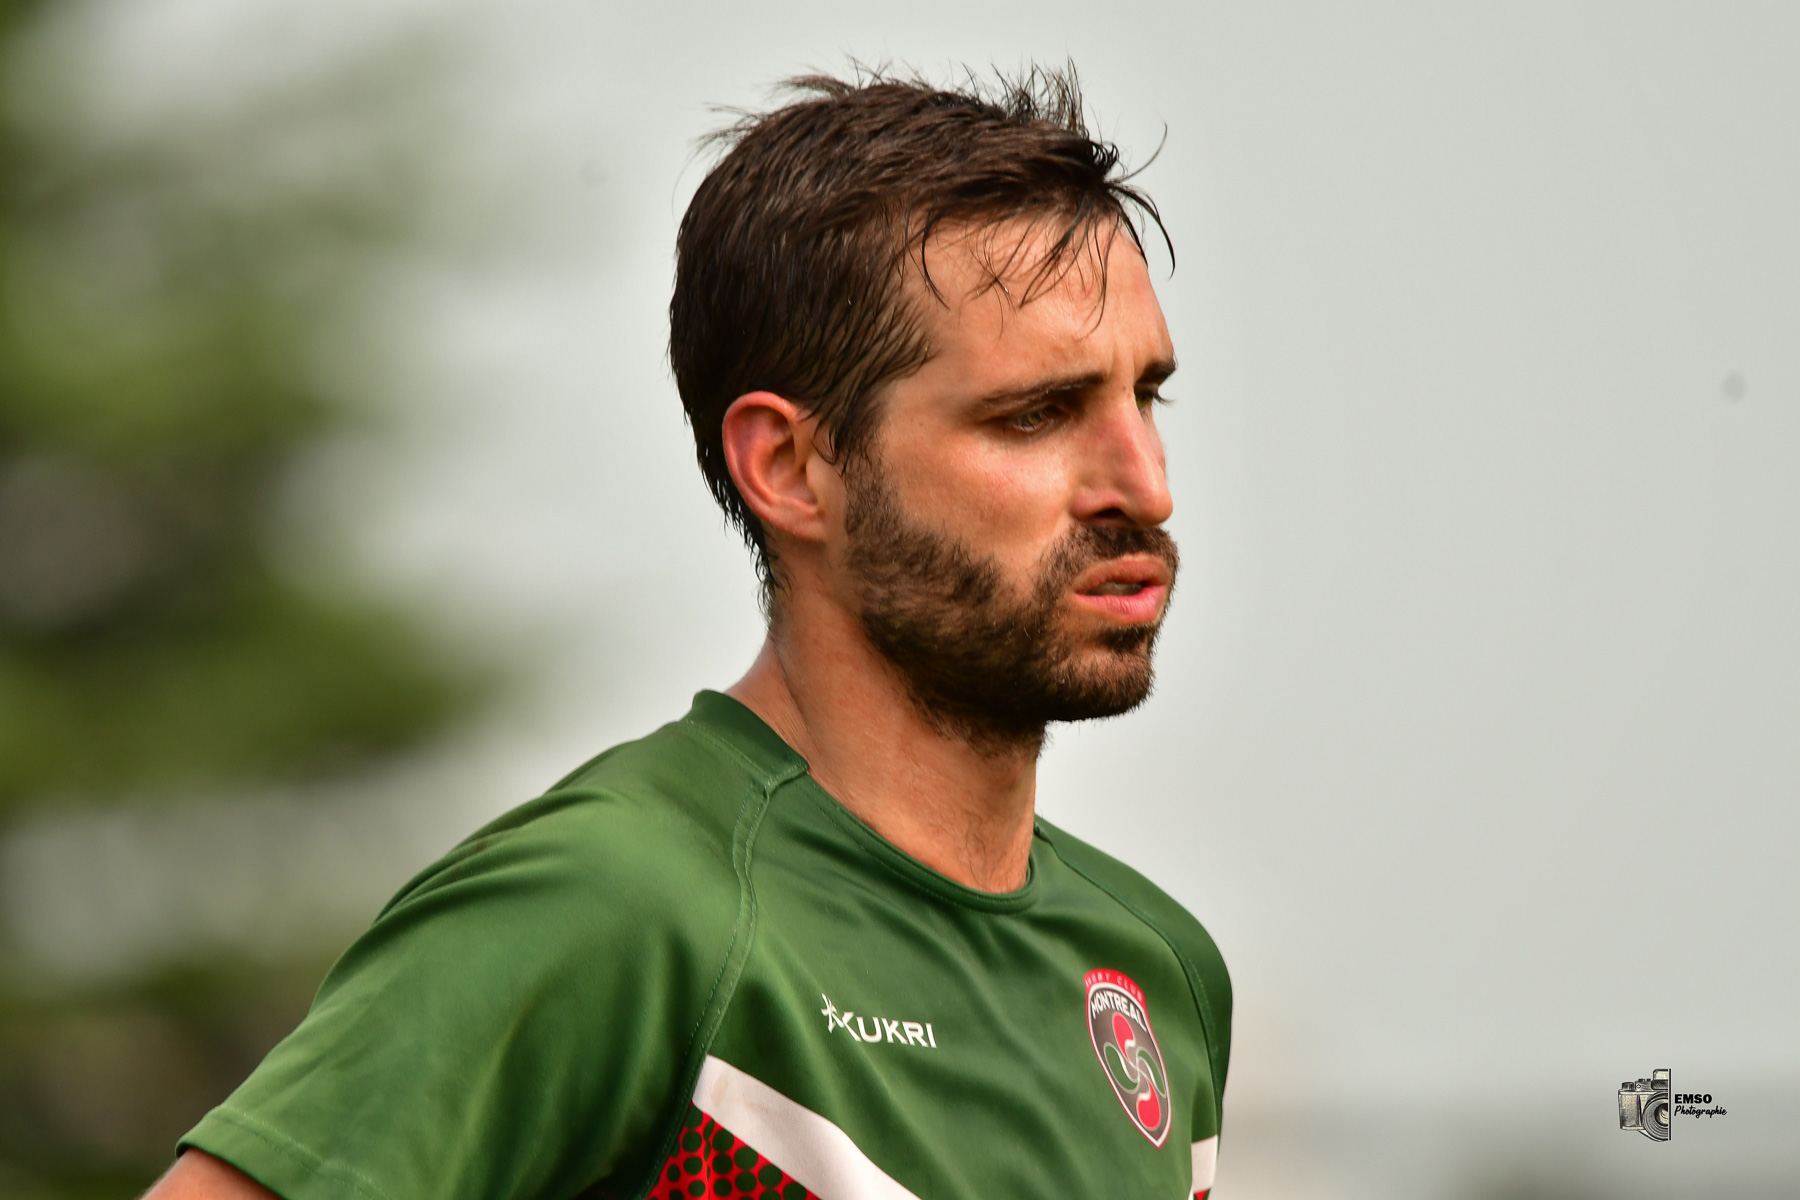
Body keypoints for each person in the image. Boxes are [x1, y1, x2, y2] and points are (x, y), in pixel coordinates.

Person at [148, 66, 1230, 1200]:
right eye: (1037, 413)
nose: (1143, 484)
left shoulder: (1162, 973)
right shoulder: (612, 906)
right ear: (789, 467)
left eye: (1145, 396)